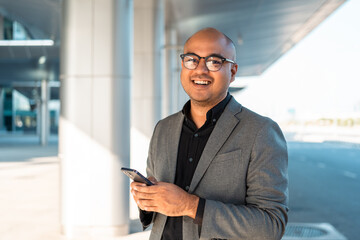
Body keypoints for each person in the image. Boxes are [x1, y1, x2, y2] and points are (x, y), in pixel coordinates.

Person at [130, 27, 288, 240]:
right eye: (192, 60)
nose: (200, 70)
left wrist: (190, 206)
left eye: (214, 61)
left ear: (232, 72)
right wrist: (148, 200)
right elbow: (161, 210)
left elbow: (271, 225)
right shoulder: (163, 128)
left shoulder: (260, 131)